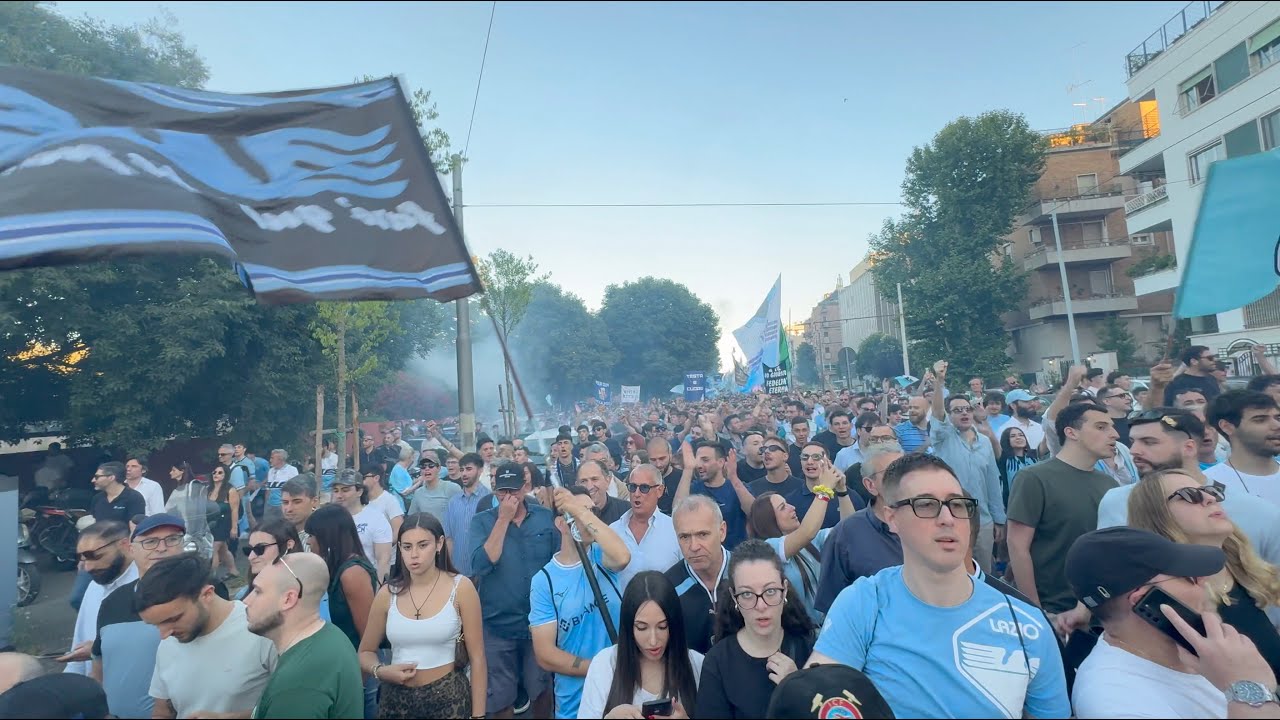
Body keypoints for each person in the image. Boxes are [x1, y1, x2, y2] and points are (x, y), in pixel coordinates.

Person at [808, 454, 1069, 719]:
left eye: (957, 504)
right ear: (892, 517)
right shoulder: (863, 602)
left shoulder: (1027, 624)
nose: (947, 518)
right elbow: (820, 700)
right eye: (926, 504)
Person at [1067, 527, 1280, 719]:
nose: (1204, 581)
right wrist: (1250, 691)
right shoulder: (1114, 701)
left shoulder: (1203, 651)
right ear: (1144, 600)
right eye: (1190, 577)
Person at [1127, 469, 1280, 677]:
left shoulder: (1246, 570)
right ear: (1157, 517)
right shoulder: (1171, 599)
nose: (1209, 498)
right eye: (1190, 495)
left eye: (1210, 491)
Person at [357, 514, 486, 719]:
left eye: (422, 545)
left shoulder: (461, 588)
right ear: (399, 549)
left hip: (448, 699)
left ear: (439, 544)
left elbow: (478, 657)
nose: (414, 555)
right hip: (396, 703)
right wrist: (381, 671)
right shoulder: (387, 594)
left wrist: (478, 716)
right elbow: (365, 651)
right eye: (407, 547)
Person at [1006, 401, 1118, 615]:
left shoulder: (1109, 484)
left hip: (1101, 611)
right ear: (1071, 432)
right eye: (1101, 427)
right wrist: (1035, 611)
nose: (1114, 434)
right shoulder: (1034, 478)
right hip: (1054, 609)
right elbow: (1017, 547)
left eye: (1112, 427)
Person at [530, 486, 631, 719]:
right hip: (576, 700)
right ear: (560, 523)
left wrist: (578, 510)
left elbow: (623, 557)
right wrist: (600, 668)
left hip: (622, 689)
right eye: (577, 512)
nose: (587, 517)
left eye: (591, 511)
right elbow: (545, 653)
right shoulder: (545, 581)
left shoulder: (601, 556)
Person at [135, 554, 277, 718]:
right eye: (156, 625)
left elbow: (296, 707)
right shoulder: (169, 640)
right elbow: (162, 712)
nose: (164, 634)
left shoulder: (261, 630)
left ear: (207, 595)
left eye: (173, 619)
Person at [469, 464, 558, 718]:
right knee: (500, 698)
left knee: (542, 690)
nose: (508, 497)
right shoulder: (482, 521)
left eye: (514, 491)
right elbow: (482, 564)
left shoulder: (544, 517)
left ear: (525, 488)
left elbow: (558, 562)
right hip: (498, 624)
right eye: (502, 492)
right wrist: (503, 519)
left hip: (538, 623)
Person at [696, 540, 815, 718]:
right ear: (734, 598)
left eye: (770, 591)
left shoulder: (809, 648)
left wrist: (797, 689)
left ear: (784, 590)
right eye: (747, 594)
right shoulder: (718, 662)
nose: (760, 605)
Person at [93, 513, 193, 719]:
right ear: (131, 549)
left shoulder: (201, 594)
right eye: (150, 541)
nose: (162, 548)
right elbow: (99, 665)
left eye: (172, 539)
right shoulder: (112, 602)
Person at [244, 553, 364, 719]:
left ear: (288, 599)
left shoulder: (296, 684)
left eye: (257, 591)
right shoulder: (331, 635)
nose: (246, 601)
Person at [578, 571, 702, 719]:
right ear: (628, 626)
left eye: (662, 627)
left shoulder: (697, 664)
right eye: (642, 628)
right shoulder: (605, 664)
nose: (653, 641)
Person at [928, 361, 1006, 571]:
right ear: (949, 415)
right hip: (951, 516)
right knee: (955, 570)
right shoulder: (943, 438)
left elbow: (992, 483)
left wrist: (999, 519)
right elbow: (937, 414)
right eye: (957, 410)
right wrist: (939, 381)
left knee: (984, 573)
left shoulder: (985, 441)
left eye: (967, 409)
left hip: (984, 520)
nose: (963, 413)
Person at [813, 445, 905, 615]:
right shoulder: (846, 535)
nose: (904, 479)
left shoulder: (932, 521)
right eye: (893, 473)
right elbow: (833, 607)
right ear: (870, 485)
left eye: (908, 471)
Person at [59, 521, 138, 677]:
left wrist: (99, 650)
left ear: (125, 545)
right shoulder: (94, 587)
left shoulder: (146, 587)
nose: (88, 567)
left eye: (95, 556)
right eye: (83, 559)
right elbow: (79, 645)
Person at [665, 495, 732, 655]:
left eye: (703, 534)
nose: (694, 546)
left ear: (722, 531)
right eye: (685, 537)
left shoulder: (750, 575)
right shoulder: (668, 588)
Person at [610, 464, 682, 592]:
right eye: (632, 487)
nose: (637, 494)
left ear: (659, 490)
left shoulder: (675, 530)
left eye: (644, 488)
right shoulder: (613, 531)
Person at [674, 441, 754, 549]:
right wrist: (688, 469)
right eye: (697, 460)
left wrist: (734, 478)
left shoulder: (737, 487)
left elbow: (753, 511)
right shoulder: (693, 489)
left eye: (705, 460)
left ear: (721, 462)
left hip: (736, 555)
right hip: (702, 553)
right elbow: (677, 511)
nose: (699, 465)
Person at [1206, 390, 1280, 505]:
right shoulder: (1209, 484)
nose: (1277, 426)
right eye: (1260, 420)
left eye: (1278, 418)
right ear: (1227, 427)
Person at [331, 469, 393, 581]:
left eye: (345, 490)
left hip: (366, 583)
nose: (339, 495)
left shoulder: (376, 518)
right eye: (335, 491)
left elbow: (383, 560)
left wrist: (379, 591)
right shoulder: (328, 519)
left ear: (359, 491)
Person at [790, 442, 861, 529]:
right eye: (805, 457)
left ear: (828, 462)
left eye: (816, 457)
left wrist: (842, 493)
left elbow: (855, 530)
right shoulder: (791, 501)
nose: (809, 462)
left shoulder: (849, 496)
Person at [443, 453, 492, 576]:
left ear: (480, 470)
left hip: (483, 573)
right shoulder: (453, 502)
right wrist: (448, 569)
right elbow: (449, 539)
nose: (464, 474)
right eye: (462, 469)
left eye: (469, 469)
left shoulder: (489, 499)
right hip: (457, 572)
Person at [206, 463, 241, 580]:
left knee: (214, 548)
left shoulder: (230, 490)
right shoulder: (208, 489)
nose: (216, 474)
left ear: (226, 475)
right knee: (223, 549)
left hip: (224, 523)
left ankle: (212, 577)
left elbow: (235, 510)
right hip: (211, 523)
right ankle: (233, 571)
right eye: (214, 472)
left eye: (220, 472)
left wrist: (234, 527)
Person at [409, 452, 461, 521]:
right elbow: (412, 518)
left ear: (439, 468)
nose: (427, 469)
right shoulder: (418, 493)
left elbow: (464, 513)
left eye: (431, 466)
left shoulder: (452, 488)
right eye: (423, 466)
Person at [577, 459, 630, 524]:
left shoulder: (626, 511)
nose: (589, 487)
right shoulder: (570, 516)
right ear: (577, 485)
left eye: (594, 479)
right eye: (583, 481)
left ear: (607, 481)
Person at [363, 466, 407, 541]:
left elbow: (398, 530)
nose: (360, 481)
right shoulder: (361, 501)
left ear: (376, 478)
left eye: (364, 477)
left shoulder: (389, 500)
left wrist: (384, 548)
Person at [261, 449, 300, 524]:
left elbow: (296, 489)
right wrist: (266, 505)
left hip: (284, 505)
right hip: (270, 505)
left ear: (280, 459)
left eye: (272, 458)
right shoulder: (271, 471)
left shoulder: (292, 470)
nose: (270, 460)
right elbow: (268, 489)